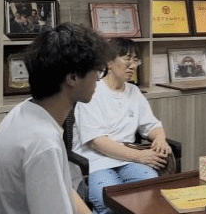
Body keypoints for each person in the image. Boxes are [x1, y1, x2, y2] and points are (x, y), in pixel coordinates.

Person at [0, 23, 112, 214]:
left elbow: (62, 189)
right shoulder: (43, 142)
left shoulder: (25, 111)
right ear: (72, 77)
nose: (98, 79)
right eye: (96, 70)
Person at [73, 37, 173, 214]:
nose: (132, 65)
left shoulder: (133, 91)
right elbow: (97, 142)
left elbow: (151, 125)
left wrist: (160, 138)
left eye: (135, 60)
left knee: (152, 192)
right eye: (127, 59)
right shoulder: (91, 91)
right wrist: (140, 156)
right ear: (109, 62)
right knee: (110, 201)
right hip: (97, 162)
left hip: (128, 160)